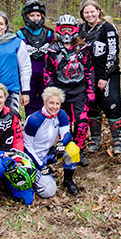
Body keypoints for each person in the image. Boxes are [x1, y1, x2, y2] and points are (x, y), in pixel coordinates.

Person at [44, 14, 95, 159]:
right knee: (64, 123)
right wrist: (51, 93)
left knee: (82, 122)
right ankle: (66, 148)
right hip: (61, 93)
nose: (67, 33)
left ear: (76, 30)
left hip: (80, 91)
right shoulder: (52, 50)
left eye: (70, 30)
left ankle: (79, 149)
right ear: (58, 30)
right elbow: (48, 72)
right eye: (63, 29)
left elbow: (89, 69)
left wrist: (91, 90)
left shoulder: (82, 48)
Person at [79, 0, 121, 154]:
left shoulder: (108, 28)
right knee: (92, 106)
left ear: (98, 11)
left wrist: (105, 76)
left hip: (107, 73)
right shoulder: (80, 30)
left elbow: (113, 53)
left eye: (92, 11)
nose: (90, 15)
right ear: (83, 15)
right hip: (87, 75)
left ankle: (118, 139)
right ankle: (95, 138)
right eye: (86, 12)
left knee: (111, 104)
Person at [23, 87, 82, 195]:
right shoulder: (34, 120)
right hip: (33, 158)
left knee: (73, 148)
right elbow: (27, 147)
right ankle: (32, 178)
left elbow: (67, 134)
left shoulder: (61, 114)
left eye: (57, 104)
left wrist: (61, 143)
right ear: (45, 103)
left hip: (48, 153)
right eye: (51, 103)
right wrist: (41, 166)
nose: (54, 107)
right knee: (48, 192)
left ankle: (68, 180)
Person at [17, 0, 57, 116]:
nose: (35, 18)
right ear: (26, 17)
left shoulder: (48, 33)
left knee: (45, 102)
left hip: (46, 75)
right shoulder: (21, 33)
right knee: (30, 103)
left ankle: (44, 128)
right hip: (28, 75)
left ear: (42, 16)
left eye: (38, 15)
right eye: (32, 15)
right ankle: (31, 128)